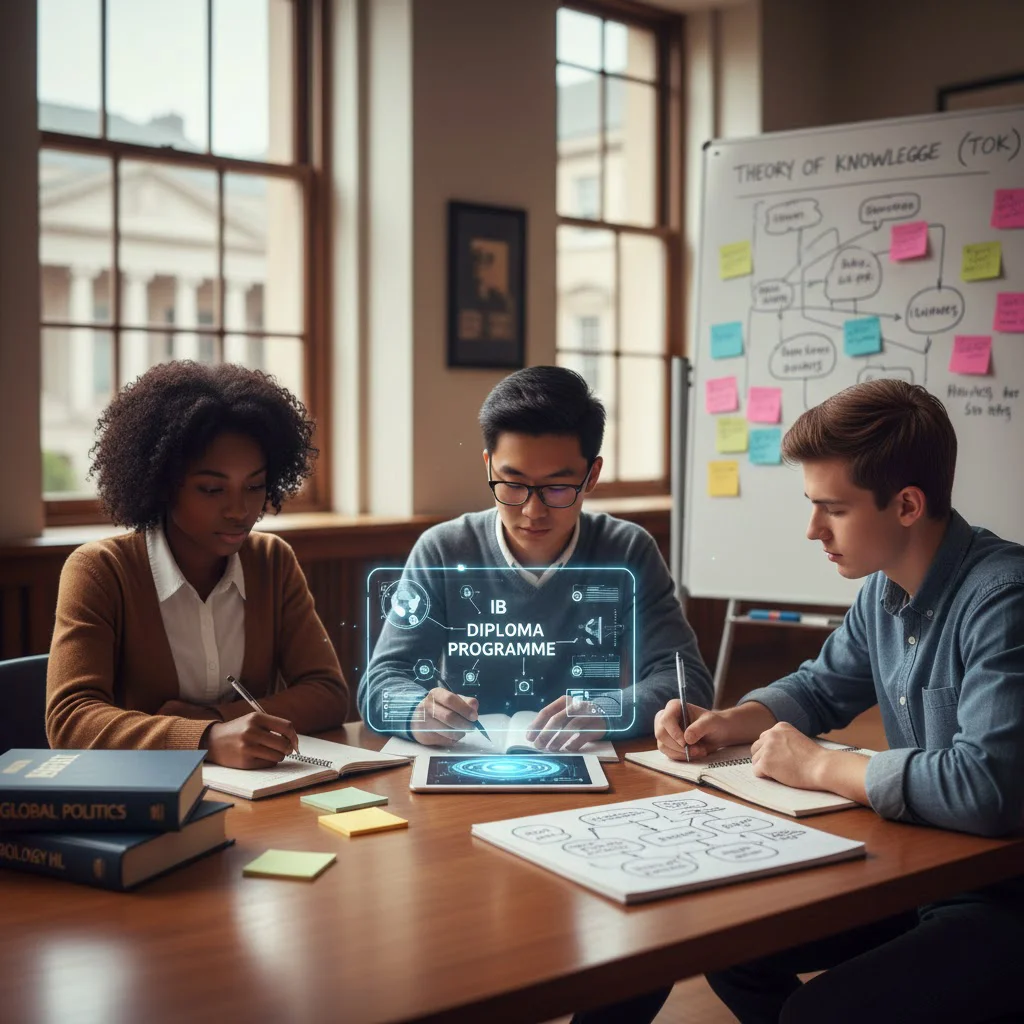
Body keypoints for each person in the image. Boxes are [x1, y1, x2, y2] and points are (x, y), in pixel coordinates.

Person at [588, 379, 1024, 1024]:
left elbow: (987, 788)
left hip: (1002, 897)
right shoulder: (884, 590)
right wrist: (731, 720)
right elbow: (820, 686)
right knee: (734, 944)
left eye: (834, 509)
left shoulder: (1003, 601)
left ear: (906, 504)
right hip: (929, 870)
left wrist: (821, 767)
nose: (812, 529)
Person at [358, 366, 711, 750]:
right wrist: (413, 710)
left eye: (558, 488)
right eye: (513, 484)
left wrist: (607, 709)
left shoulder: (627, 550)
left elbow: (685, 681)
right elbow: (382, 681)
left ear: (592, 475)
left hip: (590, 762)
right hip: (466, 761)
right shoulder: (443, 549)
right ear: (488, 466)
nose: (532, 511)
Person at [46, 361, 349, 769]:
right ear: (164, 484)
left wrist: (214, 722)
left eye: (255, 486)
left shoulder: (272, 561)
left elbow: (328, 693)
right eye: (212, 489)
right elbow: (70, 720)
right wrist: (206, 739)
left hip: (259, 797)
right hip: (146, 803)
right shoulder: (99, 571)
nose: (240, 510)